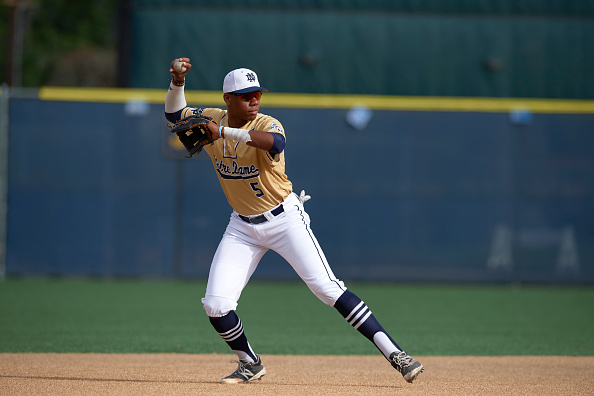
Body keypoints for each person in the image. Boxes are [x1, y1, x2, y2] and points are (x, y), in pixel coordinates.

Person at [164, 57, 424, 384]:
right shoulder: (212, 117)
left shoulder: (266, 124)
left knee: (327, 289)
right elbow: (174, 115)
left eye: (257, 93)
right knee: (216, 305)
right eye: (246, 95)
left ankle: (396, 354)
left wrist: (224, 132)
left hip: (284, 219)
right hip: (242, 227)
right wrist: (177, 81)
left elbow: (277, 143)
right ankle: (250, 363)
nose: (254, 99)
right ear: (228, 99)